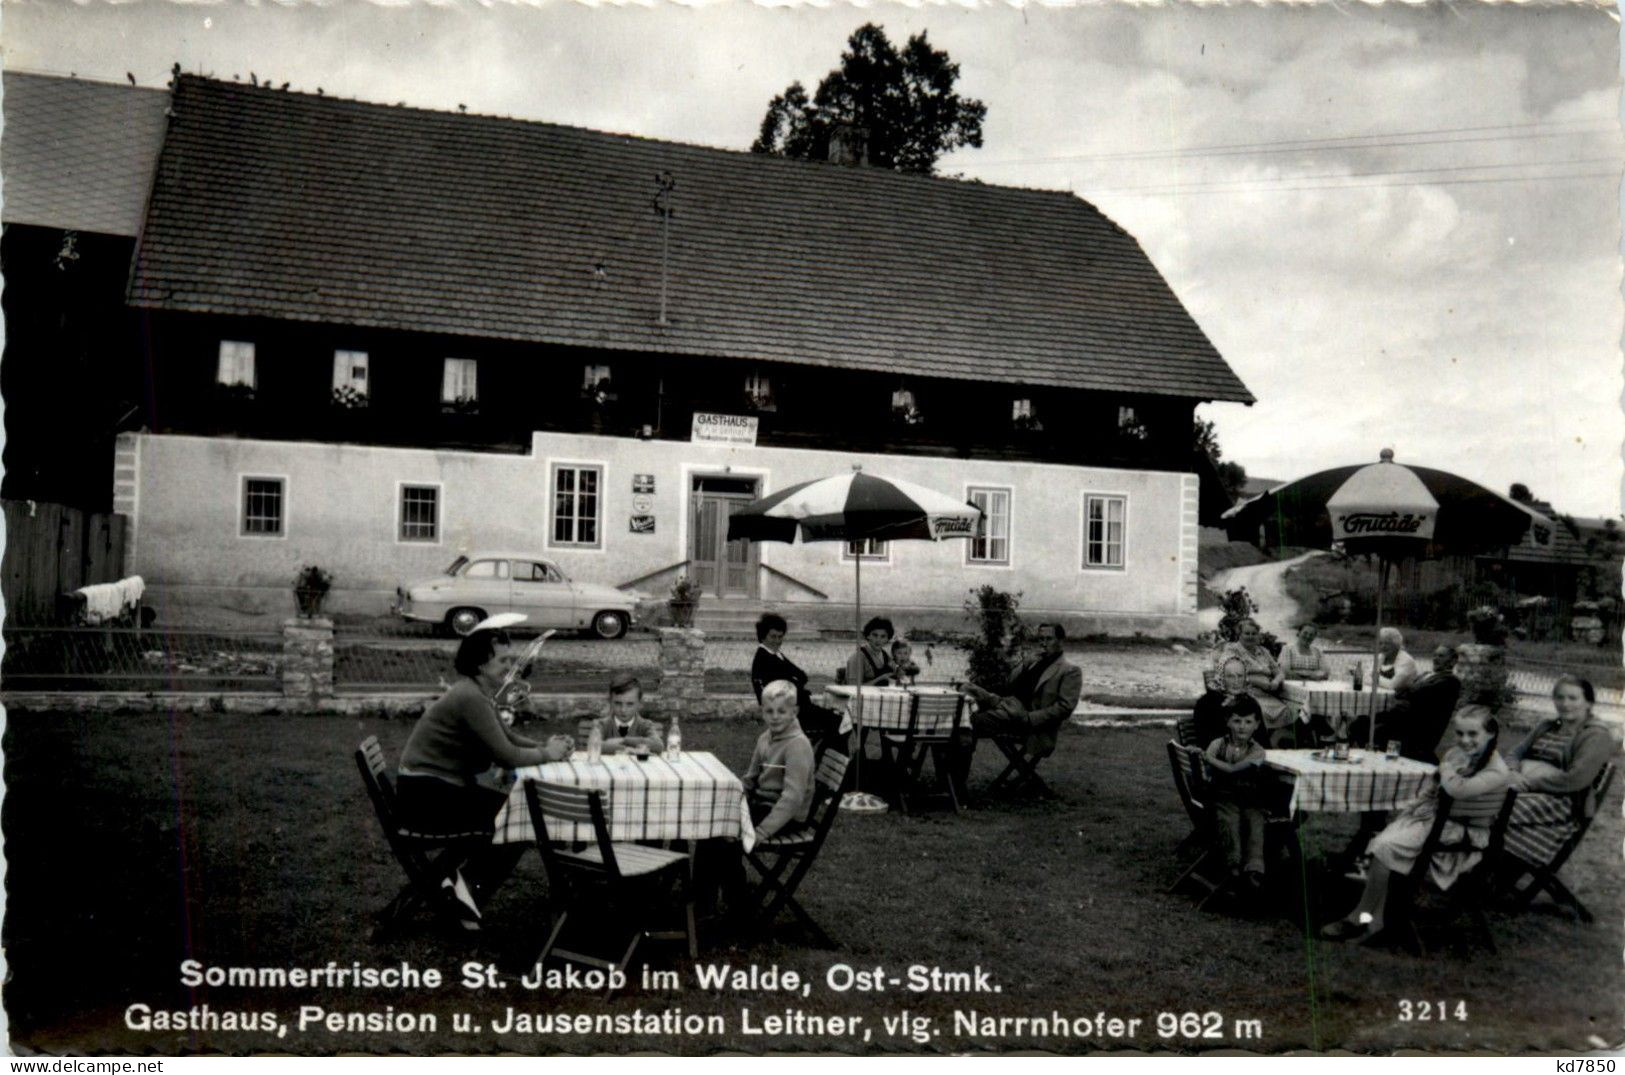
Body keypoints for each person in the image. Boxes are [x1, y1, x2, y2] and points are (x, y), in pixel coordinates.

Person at [395, 625, 574, 928]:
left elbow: (509, 737)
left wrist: (546, 747)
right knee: (517, 820)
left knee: (515, 815)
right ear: (480, 664)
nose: (510, 667)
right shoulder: (470, 698)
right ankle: (464, 896)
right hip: (427, 798)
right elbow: (507, 756)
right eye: (502, 661)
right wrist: (548, 754)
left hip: (432, 790)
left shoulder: (477, 693)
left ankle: (459, 889)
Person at [1320, 707, 1509, 944]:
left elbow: (1457, 788)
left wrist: (1446, 767)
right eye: (1460, 734)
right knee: (1383, 843)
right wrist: (1413, 810)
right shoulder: (1460, 755)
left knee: (1385, 847)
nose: (1465, 740)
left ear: (1490, 733)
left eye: (1473, 734)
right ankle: (1374, 920)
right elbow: (1433, 787)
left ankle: (1361, 917)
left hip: (1462, 834)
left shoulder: (1497, 769)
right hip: (1438, 822)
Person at [1501, 675, 1618, 875]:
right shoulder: (1547, 726)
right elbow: (1515, 753)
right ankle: (1478, 863)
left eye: (1573, 698)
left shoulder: (1595, 735)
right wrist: (1512, 772)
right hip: (1523, 787)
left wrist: (1528, 783)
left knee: (1498, 806)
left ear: (1588, 702)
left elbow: (1575, 779)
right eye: (1560, 697)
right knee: (1482, 797)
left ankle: (1495, 869)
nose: (1565, 704)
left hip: (1560, 802)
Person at [953, 623, 1083, 788]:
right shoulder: (1034, 661)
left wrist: (1031, 718)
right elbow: (1009, 683)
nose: (1043, 643)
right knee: (965, 690)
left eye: (1048, 639)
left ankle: (956, 784)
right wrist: (1025, 663)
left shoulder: (1069, 670)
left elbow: (1065, 707)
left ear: (1060, 641)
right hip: (1006, 705)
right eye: (1040, 639)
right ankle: (949, 778)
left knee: (968, 723)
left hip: (1027, 722)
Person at [749, 613, 849, 754]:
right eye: (773, 636)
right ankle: (827, 765)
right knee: (840, 723)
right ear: (763, 636)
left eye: (780, 637)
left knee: (841, 721)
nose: (777, 641)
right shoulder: (764, 659)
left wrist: (794, 681)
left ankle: (824, 763)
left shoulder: (775, 654)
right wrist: (794, 681)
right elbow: (783, 687)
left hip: (800, 707)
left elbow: (802, 675)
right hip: (791, 712)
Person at [1203, 696, 1270, 891]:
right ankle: (1233, 868)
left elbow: (1233, 769)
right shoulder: (1218, 744)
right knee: (1230, 819)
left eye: (1248, 722)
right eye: (1237, 721)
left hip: (1249, 797)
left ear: (1257, 724)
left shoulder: (1258, 751)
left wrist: (1208, 758)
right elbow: (1205, 772)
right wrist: (1205, 759)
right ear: (1228, 721)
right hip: (1222, 796)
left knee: (1255, 821)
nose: (1242, 727)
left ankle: (1254, 869)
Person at [1355, 644, 1462, 762]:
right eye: (1435, 655)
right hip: (1400, 717)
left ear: (1452, 661)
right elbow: (1402, 692)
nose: (1435, 659)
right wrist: (1407, 692)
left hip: (1414, 728)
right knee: (1359, 721)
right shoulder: (1426, 675)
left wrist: (1407, 692)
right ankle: (1371, 759)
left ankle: (1373, 761)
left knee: (1363, 727)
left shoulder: (1450, 681)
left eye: (1441, 656)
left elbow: (1415, 696)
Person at [741, 680, 818, 840]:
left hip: (788, 817)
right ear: (762, 712)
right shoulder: (764, 738)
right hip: (762, 804)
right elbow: (750, 780)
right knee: (716, 818)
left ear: (794, 712)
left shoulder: (797, 745)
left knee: (726, 829)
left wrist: (761, 832)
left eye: (781, 711)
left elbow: (793, 798)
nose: (775, 717)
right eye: (769, 711)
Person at [1212, 618, 1290, 741]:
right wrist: (1260, 683)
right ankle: (1259, 742)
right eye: (1246, 633)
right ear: (1240, 634)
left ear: (1258, 635)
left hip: (1267, 694)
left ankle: (1274, 742)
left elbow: (1279, 671)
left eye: (1254, 634)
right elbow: (1230, 674)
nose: (1250, 636)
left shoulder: (1263, 651)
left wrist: (1275, 681)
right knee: (1258, 712)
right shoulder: (1232, 650)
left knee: (1288, 710)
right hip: (1244, 693)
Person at [1189, 656, 1260, 747]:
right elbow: (1207, 741)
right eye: (1230, 676)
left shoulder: (1251, 703)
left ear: (1245, 677)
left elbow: (1262, 740)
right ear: (1221, 678)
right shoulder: (1206, 703)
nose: (1236, 681)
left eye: (1240, 676)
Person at [590, 673, 663, 753]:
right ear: (610, 701)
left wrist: (624, 740)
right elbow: (593, 744)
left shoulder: (645, 725)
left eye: (630, 704)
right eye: (618, 703)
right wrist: (628, 749)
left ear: (639, 704)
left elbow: (658, 745)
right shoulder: (601, 724)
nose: (623, 710)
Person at [845, 617, 899, 687]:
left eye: (883, 636)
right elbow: (853, 688)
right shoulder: (857, 658)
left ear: (887, 639)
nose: (878, 640)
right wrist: (881, 679)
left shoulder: (886, 655)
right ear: (868, 636)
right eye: (875, 635)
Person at [1377, 627, 1419, 693]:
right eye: (1381, 643)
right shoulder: (1380, 657)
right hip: (1383, 696)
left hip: (1404, 699)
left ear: (1396, 644)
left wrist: (1375, 679)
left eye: (1387, 643)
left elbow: (1393, 685)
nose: (1383, 646)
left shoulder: (1406, 661)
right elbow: (1365, 677)